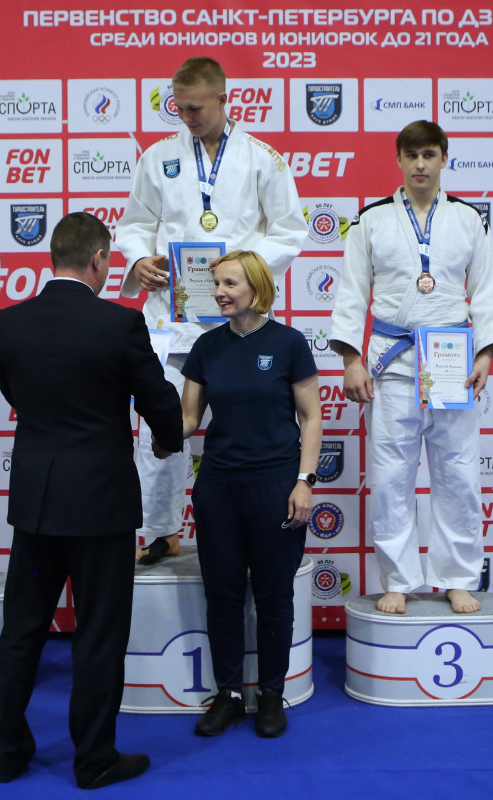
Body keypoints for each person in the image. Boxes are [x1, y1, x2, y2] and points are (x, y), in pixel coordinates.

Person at [0, 213, 182, 789]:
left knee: (22, 630)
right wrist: (170, 438)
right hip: (100, 504)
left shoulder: (8, 322)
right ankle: (94, 760)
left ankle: (4, 755)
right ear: (98, 260)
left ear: (54, 257)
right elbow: (158, 401)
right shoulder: (118, 324)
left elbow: (15, 393)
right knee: (98, 633)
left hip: (37, 502)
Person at [116, 56, 307, 565]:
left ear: (224, 99)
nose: (187, 117)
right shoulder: (158, 157)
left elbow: (290, 230)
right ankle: (159, 530)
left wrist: (245, 273)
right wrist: (139, 258)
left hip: (239, 322)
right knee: (159, 427)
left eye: (196, 108)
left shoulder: (262, 159)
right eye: (179, 109)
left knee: (249, 427)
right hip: (172, 319)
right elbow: (135, 223)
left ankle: (261, 526)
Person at [328, 120, 493, 615]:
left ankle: (457, 576)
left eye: (429, 155)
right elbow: (351, 293)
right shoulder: (371, 220)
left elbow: (488, 291)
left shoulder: (468, 220)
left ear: (444, 158)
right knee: (390, 478)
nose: (420, 165)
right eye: (411, 155)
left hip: (451, 362)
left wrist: (485, 354)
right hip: (391, 362)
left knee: (458, 475)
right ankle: (399, 579)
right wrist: (351, 358)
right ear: (399, 159)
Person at [179, 251, 321, 738]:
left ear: (256, 288)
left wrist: (304, 481)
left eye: (229, 283)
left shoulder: (289, 343)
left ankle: (272, 695)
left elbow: (312, 418)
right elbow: (189, 419)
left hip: (276, 486)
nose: (219, 292)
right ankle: (229, 695)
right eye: (217, 283)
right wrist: (157, 426)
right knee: (222, 595)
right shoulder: (205, 346)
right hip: (218, 487)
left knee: (274, 596)